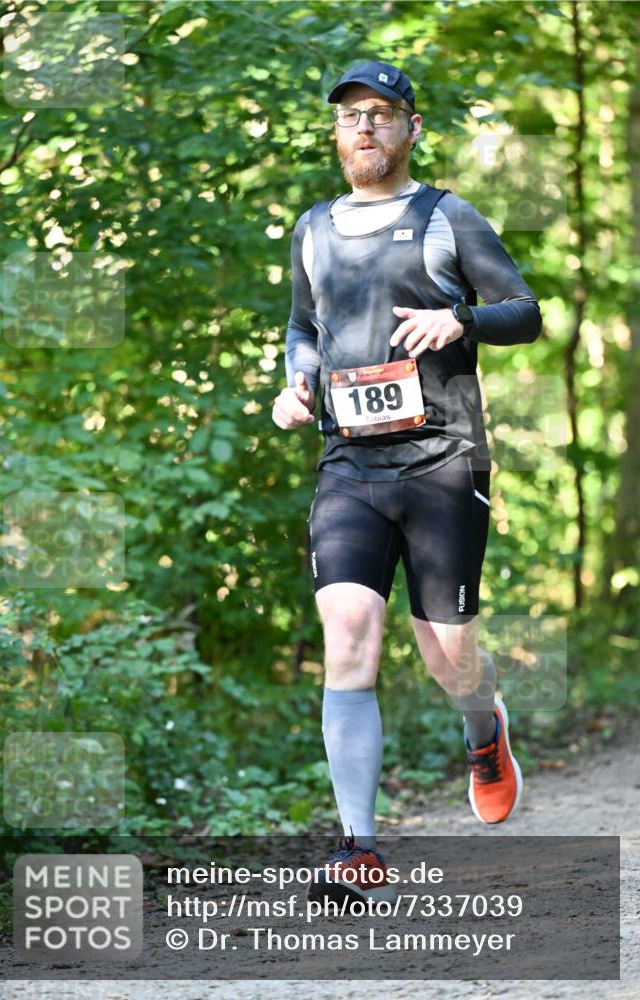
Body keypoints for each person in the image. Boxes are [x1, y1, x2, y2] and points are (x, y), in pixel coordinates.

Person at [271, 61, 541, 906]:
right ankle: (358, 846)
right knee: (347, 633)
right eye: (350, 115)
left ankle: (481, 729)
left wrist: (457, 318)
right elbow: (302, 328)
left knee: (448, 656)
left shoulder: (445, 216)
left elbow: (525, 313)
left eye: (381, 113)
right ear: (336, 131)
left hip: (442, 461)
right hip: (349, 465)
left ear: (410, 127)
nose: (365, 128)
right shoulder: (313, 229)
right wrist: (296, 383)